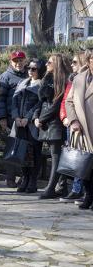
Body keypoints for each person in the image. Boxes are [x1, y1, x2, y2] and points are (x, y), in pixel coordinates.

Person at [35, 54, 70, 199]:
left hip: (55, 123)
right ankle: (60, 186)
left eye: (50, 62)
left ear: (56, 64)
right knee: (56, 156)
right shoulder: (47, 79)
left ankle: (51, 188)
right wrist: (36, 117)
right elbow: (40, 101)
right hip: (45, 121)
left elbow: (56, 104)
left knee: (56, 156)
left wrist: (42, 119)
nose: (47, 64)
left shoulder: (61, 81)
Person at [11, 59, 45, 194]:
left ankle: (32, 181)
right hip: (19, 123)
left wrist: (28, 118)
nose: (30, 70)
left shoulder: (42, 85)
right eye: (29, 68)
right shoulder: (22, 83)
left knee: (34, 153)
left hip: (32, 124)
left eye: (34, 68)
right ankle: (24, 178)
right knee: (22, 152)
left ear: (40, 70)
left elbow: (40, 104)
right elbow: (14, 101)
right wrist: (16, 116)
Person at [66, 49, 93, 209]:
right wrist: (73, 120)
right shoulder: (79, 78)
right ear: (89, 61)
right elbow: (69, 101)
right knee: (85, 167)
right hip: (81, 129)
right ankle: (88, 196)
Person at [59, 52, 88, 201]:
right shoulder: (73, 80)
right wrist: (67, 118)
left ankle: (84, 192)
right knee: (78, 157)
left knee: (85, 158)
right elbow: (66, 101)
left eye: (75, 62)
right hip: (74, 124)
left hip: (87, 124)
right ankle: (77, 189)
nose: (72, 65)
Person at [0, 50, 28, 188]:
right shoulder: (5, 77)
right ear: (11, 62)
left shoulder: (30, 74)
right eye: (15, 61)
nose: (18, 63)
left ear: (25, 61)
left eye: (21, 60)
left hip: (27, 118)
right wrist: (2, 118)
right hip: (11, 118)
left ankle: (24, 177)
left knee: (27, 148)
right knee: (12, 147)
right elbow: (0, 99)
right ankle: (10, 178)